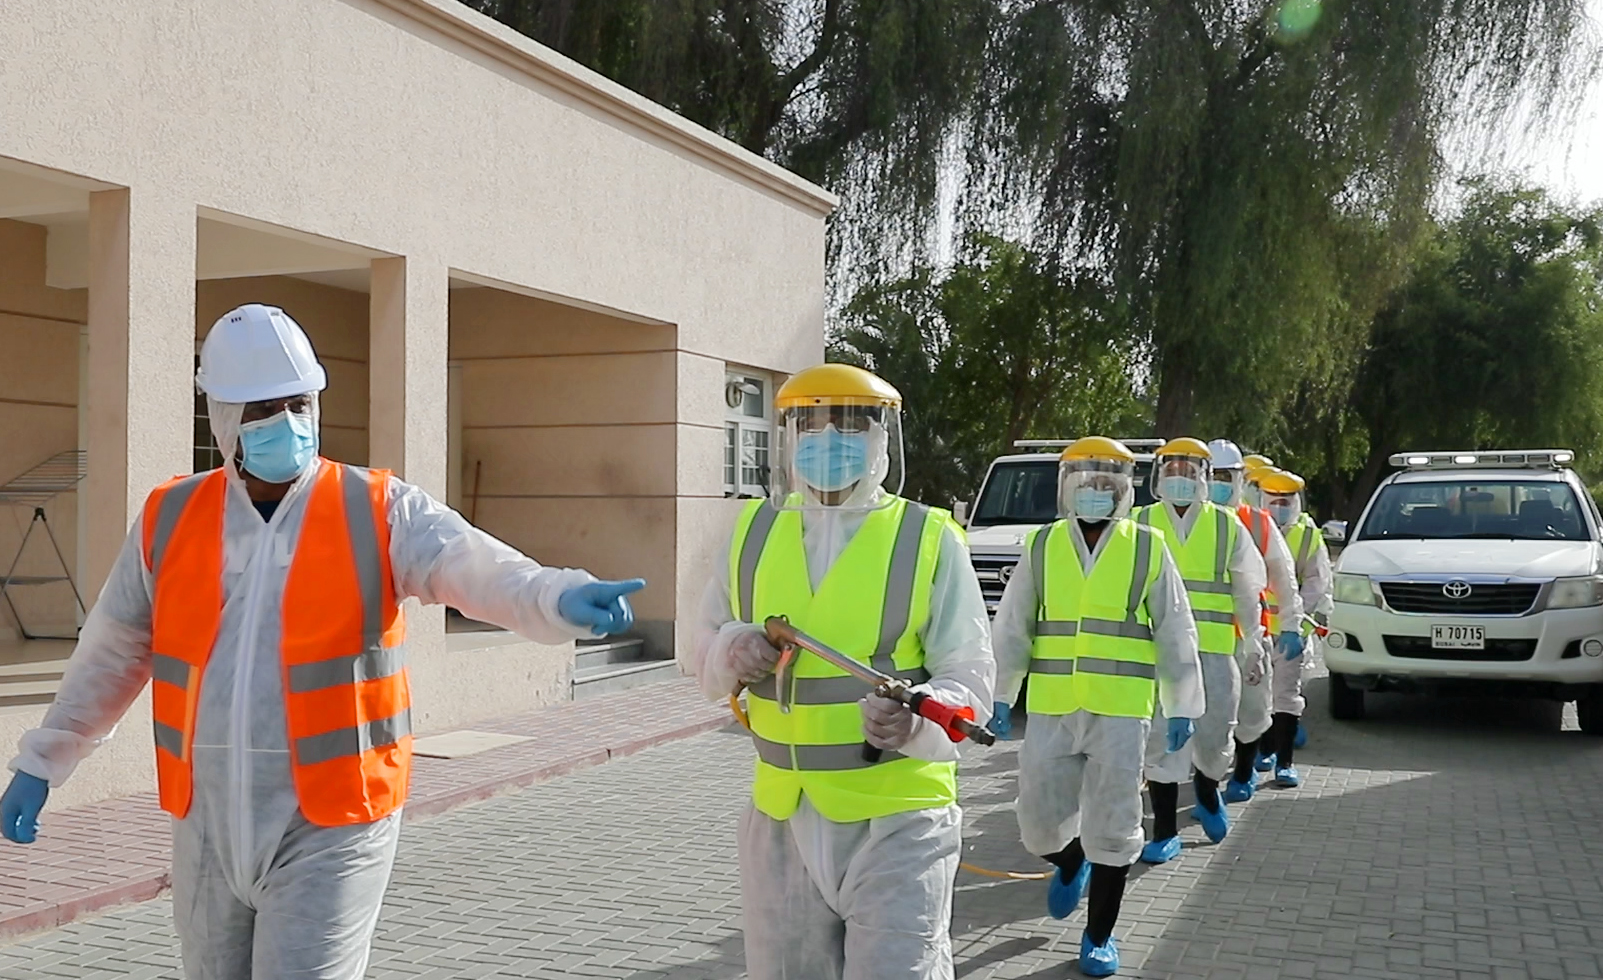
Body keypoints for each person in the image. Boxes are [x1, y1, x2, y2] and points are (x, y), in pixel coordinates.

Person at [0, 304, 645, 980]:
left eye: (298, 403)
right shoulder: (173, 516)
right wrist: (44, 761)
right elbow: (114, 649)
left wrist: (555, 595)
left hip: (334, 823)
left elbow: (475, 565)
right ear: (224, 420)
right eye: (263, 409)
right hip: (207, 823)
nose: (286, 421)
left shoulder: (378, 507)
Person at [681, 363, 994, 980]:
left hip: (897, 817)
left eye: (849, 425)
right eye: (810, 424)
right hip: (781, 814)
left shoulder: (927, 536)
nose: (828, 439)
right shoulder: (752, 530)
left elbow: (971, 672)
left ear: (881, 438)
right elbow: (702, 647)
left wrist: (916, 720)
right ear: (788, 438)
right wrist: (733, 650)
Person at [991, 436, 1202, 977]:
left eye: (1105, 483)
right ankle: (1069, 860)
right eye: (1084, 482)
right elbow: (1013, 625)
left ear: (1123, 490)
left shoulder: (1148, 547)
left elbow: (1176, 630)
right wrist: (1000, 694)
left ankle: (1099, 937)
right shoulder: (1042, 545)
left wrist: (1182, 703)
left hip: (1121, 709)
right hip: (1053, 705)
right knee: (1037, 822)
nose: (1094, 492)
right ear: (1067, 488)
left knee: (1114, 827)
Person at [1131, 439, 1265, 863]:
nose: (1179, 479)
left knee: (1213, 735)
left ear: (1203, 478)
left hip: (1214, 653)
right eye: (1171, 470)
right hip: (1159, 655)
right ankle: (1164, 831)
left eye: (1188, 472)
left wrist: (1253, 645)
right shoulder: (1140, 521)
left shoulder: (1226, 526)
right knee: (1160, 742)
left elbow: (1247, 591)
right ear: (1159, 476)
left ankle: (1207, 790)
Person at [1207, 444, 1304, 803]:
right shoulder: (1187, 523)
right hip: (1203, 638)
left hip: (1249, 637)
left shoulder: (1258, 523)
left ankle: (1243, 772)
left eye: (1226, 477)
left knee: (1251, 712)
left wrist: (1291, 624)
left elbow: (1283, 576)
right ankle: (1206, 787)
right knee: (1209, 717)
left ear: (1240, 479)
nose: (1219, 484)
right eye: (1213, 476)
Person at [1257, 469, 1332, 785]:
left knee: (1286, 696)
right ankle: (1263, 750)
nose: (1279, 507)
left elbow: (1318, 580)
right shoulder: (1251, 527)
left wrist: (1297, 614)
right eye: (1273, 501)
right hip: (1257, 628)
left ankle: (1284, 762)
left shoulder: (1308, 534)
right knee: (1258, 696)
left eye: (1285, 502)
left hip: (1291, 630)